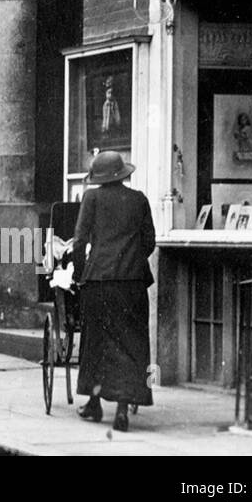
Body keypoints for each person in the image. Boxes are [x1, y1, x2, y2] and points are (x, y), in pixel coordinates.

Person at [74, 151, 156, 433]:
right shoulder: (139, 199)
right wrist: (131, 258)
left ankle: (94, 403)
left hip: (99, 281)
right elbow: (149, 242)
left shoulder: (92, 198)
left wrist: (80, 273)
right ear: (123, 174)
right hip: (132, 283)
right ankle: (122, 409)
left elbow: (79, 240)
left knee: (97, 342)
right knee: (131, 343)